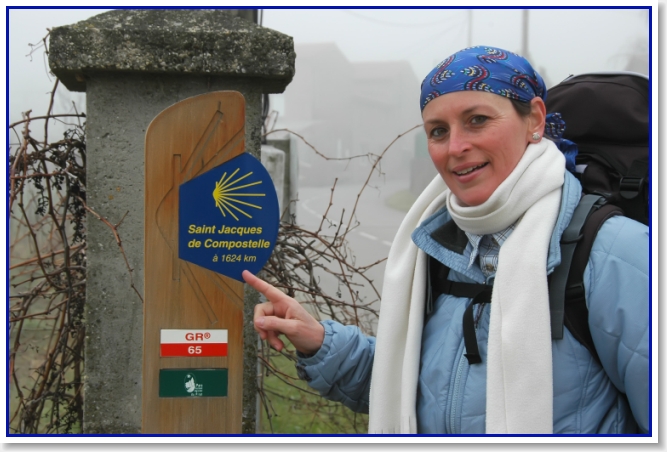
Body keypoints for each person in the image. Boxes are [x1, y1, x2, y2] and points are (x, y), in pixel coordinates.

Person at [242, 46, 649, 434]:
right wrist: (318, 341)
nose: (456, 147)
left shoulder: (616, 253)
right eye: (438, 131)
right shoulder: (436, 248)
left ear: (535, 120)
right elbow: (407, 390)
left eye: (477, 120)